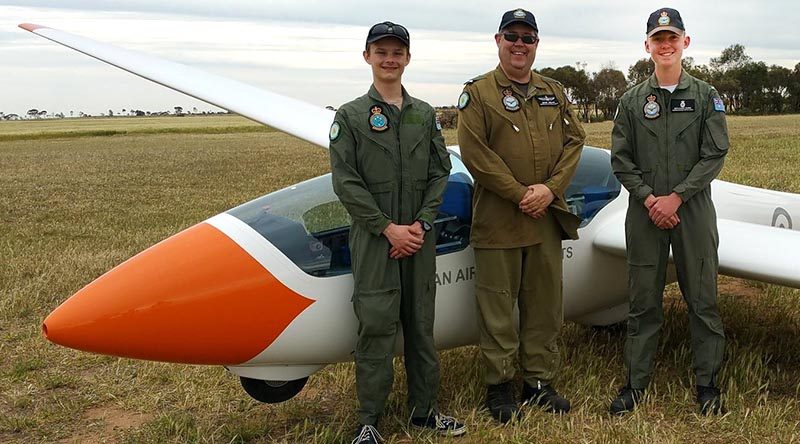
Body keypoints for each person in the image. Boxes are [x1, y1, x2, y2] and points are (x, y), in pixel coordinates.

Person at [329, 21, 466, 444]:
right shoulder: (350, 116)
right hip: (375, 242)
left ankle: (425, 412)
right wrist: (388, 228)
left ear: (407, 58)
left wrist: (421, 224)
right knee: (375, 328)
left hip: (419, 239)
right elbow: (346, 181)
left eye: (397, 52)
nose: (390, 59)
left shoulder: (424, 114)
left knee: (422, 326)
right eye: (381, 51)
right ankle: (370, 421)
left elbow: (440, 172)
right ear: (367, 56)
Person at [457, 8, 585, 423]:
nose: (519, 44)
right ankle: (500, 388)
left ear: (536, 45)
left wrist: (549, 190)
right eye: (511, 36)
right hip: (499, 221)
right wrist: (519, 194)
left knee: (544, 304)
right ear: (498, 41)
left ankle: (538, 383)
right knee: (497, 307)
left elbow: (574, 141)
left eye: (527, 38)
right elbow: (476, 154)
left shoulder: (552, 91)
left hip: (546, 218)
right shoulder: (478, 94)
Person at [609, 7, 729, 416]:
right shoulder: (631, 100)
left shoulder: (705, 96)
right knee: (643, 302)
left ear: (685, 43)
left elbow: (715, 154)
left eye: (672, 38)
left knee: (703, 300)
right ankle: (635, 384)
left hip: (692, 210)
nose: (665, 45)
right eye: (658, 39)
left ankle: (707, 384)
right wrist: (649, 200)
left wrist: (676, 197)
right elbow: (621, 159)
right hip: (644, 213)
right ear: (647, 46)